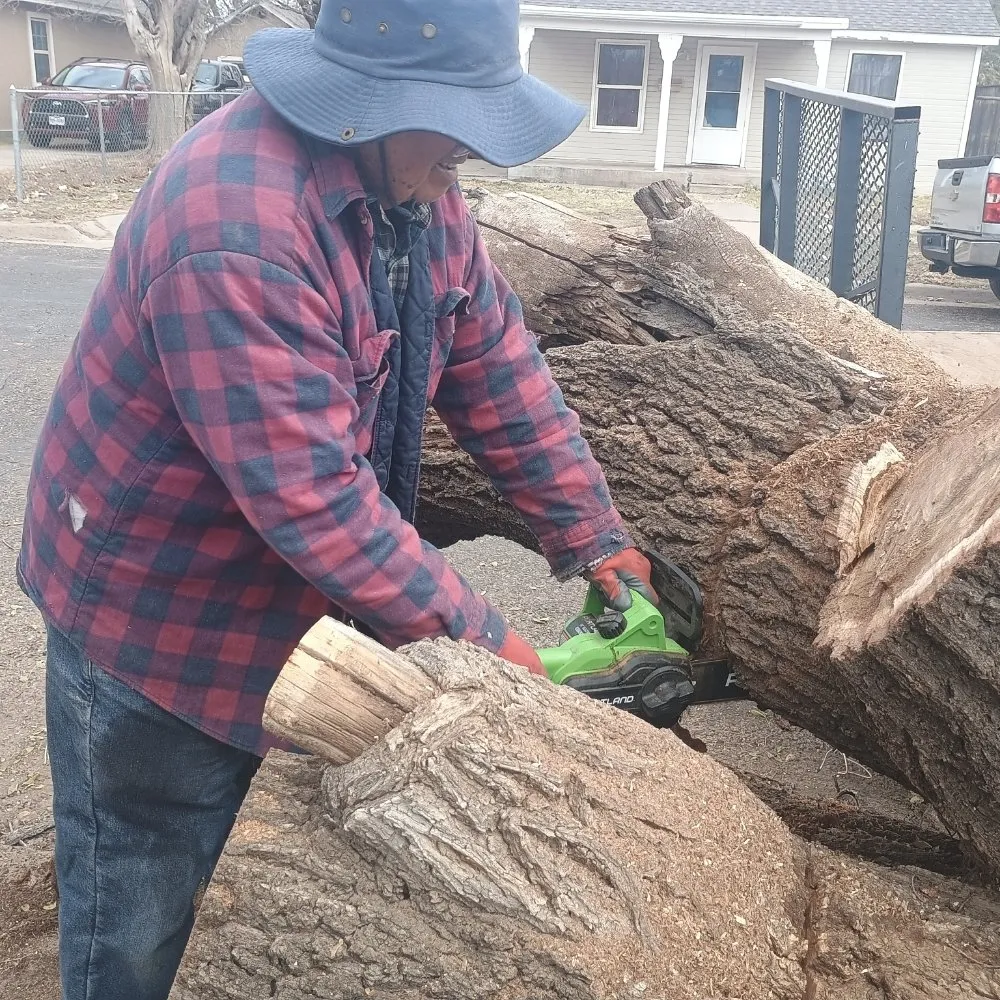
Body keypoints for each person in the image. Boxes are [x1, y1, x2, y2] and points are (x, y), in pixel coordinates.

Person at [17, 1, 657, 998]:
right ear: (376, 102)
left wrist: (589, 530)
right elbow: (314, 497)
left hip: (277, 599)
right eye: (460, 129)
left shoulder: (415, 185)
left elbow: (493, 358)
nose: (472, 162)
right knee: (139, 898)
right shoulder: (235, 227)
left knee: (254, 875)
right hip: (151, 613)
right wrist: (497, 653)